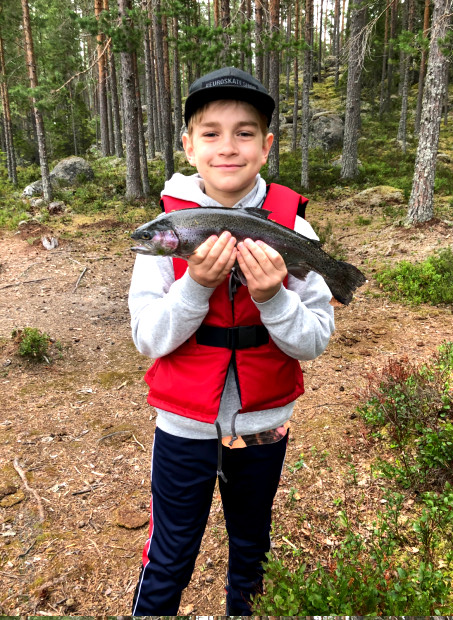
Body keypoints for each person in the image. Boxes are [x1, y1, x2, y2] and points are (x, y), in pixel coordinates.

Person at [129, 66, 335, 616]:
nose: (227, 146)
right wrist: (195, 286)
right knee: (170, 552)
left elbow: (314, 340)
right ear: (188, 145)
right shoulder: (167, 228)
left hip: (265, 423)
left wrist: (273, 298)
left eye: (244, 133)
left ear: (266, 147)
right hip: (183, 424)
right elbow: (148, 338)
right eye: (211, 133)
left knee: (251, 546)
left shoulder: (296, 231)